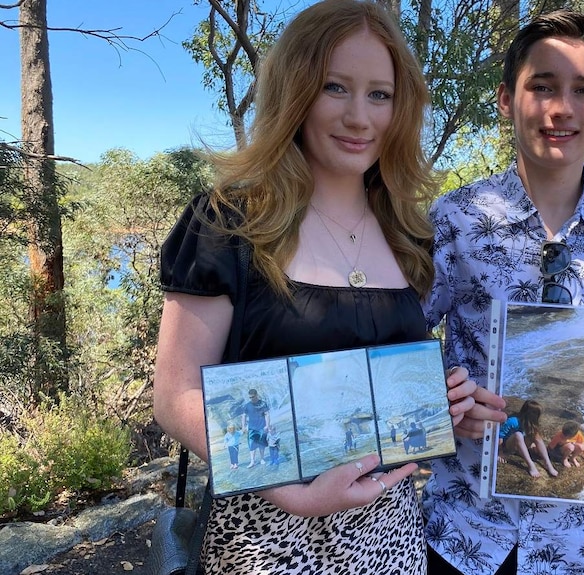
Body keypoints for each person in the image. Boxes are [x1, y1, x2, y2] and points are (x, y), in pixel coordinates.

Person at [152, 1, 478, 573]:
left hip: (393, 539)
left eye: (380, 94)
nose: (360, 117)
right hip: (266, 540)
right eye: (335, 87)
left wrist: (437, 403)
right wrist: (288, 490)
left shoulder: (409, 235)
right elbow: (175, 396)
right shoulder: (228, 222)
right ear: (294, 94)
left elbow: (383, 393)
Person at [422, 9, 584, 575]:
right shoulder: (455, 219)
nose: (561, 107)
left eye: (583, 90)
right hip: (464, 530)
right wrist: (440, 405)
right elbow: (401, 344)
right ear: (505, 99)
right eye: (541, 86)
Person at [497, 399, 558, 479]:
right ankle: (531, 465)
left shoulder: (531, 424)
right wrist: (500, 452)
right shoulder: (513, 421)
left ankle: (547, 463)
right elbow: (500, 436)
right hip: (509, 446)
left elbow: (533, 437)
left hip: (520, 445)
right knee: (518, 435)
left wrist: (532, 444)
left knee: (536, 435)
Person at [241, 388, 270, 467]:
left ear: (256, 395)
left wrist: (267, 425)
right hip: (252, 428)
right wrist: (243, 426)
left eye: (253, 397)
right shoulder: (247, 405)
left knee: (261, 444)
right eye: (250, 397)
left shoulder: (263, 404)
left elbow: (267, 414)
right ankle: (252, 461)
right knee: (251, 445)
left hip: (261, 427)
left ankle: (262, 459)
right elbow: (244, 416)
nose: (251, 398)